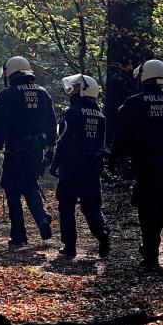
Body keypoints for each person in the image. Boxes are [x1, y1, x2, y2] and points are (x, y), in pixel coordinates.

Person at [109, 59, 163, 272]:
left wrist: (114, 157)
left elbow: (121, 135)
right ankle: (153, 247)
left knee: (145, 208)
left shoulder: (133, 103)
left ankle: (150, 251)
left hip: (143, 164)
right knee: (158, 206)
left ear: (144, 77)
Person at [0, 56, 56, 246]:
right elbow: (51, 123)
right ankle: (42, 218)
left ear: (10, 72)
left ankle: (19, 235)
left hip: (15, 148)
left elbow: (0, 125)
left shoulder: (7, 94)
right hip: (36, 148)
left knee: (12, 190)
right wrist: (51, 148)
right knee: (30, 183)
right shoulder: (43, 93)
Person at [50, 74, 110, 259]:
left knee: (66, 205)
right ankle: (103, 235)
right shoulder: (100, 116)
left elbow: (62, 142)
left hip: (72, 166)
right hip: (92, 167)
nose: (72, 91)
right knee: (92, 206)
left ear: (84, 91)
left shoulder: (71, 113)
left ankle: (69, 246)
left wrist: (54, 164)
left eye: (75, 88)